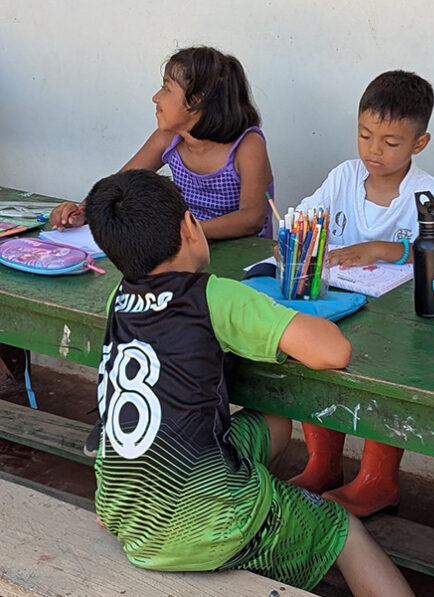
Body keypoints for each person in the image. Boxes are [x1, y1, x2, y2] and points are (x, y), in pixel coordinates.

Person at [85, 169, 412, 597]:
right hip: (205, 523)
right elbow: (334, 352)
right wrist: (275, 314)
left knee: (274, 422)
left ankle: (251, 506)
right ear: (190, 226)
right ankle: (249, 523)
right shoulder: (213, 295)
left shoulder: (118, 299)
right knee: (344, 528)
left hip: (123, 511)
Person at [287, 70, 434, 517]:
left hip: (399, 325)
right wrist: (306, 234)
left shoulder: (424, 192)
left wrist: (384, 249)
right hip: (340, 307)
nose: (374, 150)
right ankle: (323, 464)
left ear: (420, 144)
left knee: (385, 385)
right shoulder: (344, 177)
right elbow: (307, 215)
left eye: (391, 142)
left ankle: (379, 480)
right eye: (365, 135)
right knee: (315, 367)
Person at [50, 46, 273, 240]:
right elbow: (118, 184)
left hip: (244, 254)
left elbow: (251, 218)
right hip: (190, 246)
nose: (156, 97)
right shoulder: (170, 138)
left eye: (166, 88)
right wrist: (82, 212)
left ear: (196, 100)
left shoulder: (247, 145)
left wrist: (184, 233)